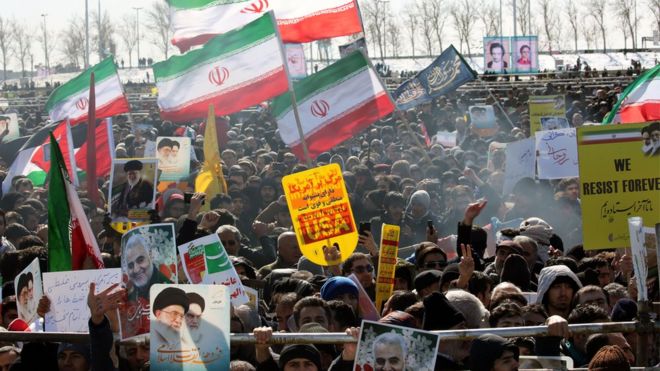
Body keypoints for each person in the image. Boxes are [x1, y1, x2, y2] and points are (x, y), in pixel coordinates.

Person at [122, 234, 173, 301]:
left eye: (140, 260)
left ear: (150, 255)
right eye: (130, 266)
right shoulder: (130, 291)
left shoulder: (166, 287)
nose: (136, 270)